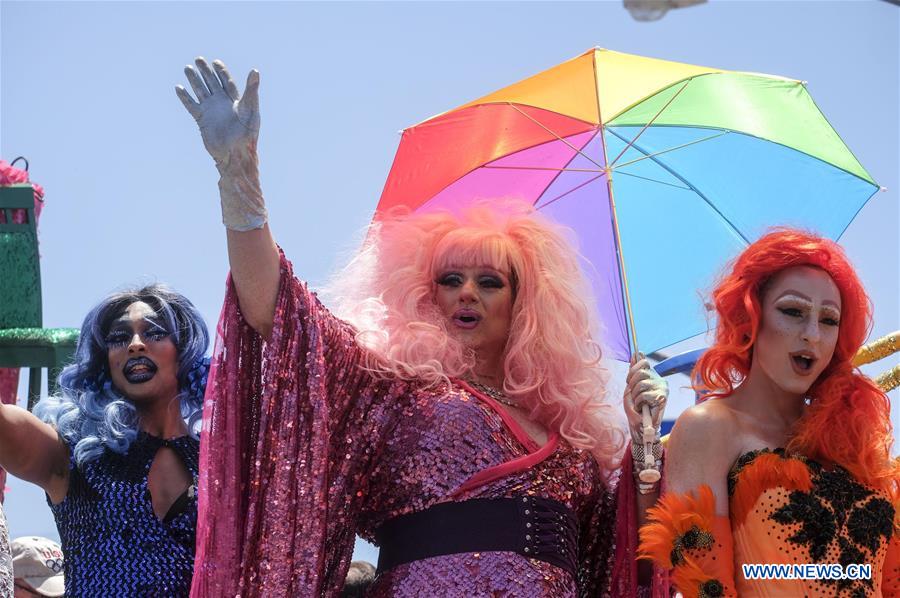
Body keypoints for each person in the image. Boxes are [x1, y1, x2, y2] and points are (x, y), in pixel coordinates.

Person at [177, 57, 668, 596]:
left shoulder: (573, 439)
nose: (466, 292)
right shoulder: (391, 387)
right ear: (425, 293)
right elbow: (280, 316)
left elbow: (625, 561)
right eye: (450, 278)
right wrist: (240, 181)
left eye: (489, 281)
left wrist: (644, 447)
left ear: (526, 305)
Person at [639, 229, 900, 597]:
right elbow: (706, 585)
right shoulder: (710, 427)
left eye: (829, 319)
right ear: (751, 317)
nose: (812, 334)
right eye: (793, 311)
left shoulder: (851, 441)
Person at [0, 285, 209, 597]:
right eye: (119, 337)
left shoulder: (218, 465)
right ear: (106, 362)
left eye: (153, 332)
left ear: (183, 351)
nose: (135, 345)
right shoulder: (76, 456)